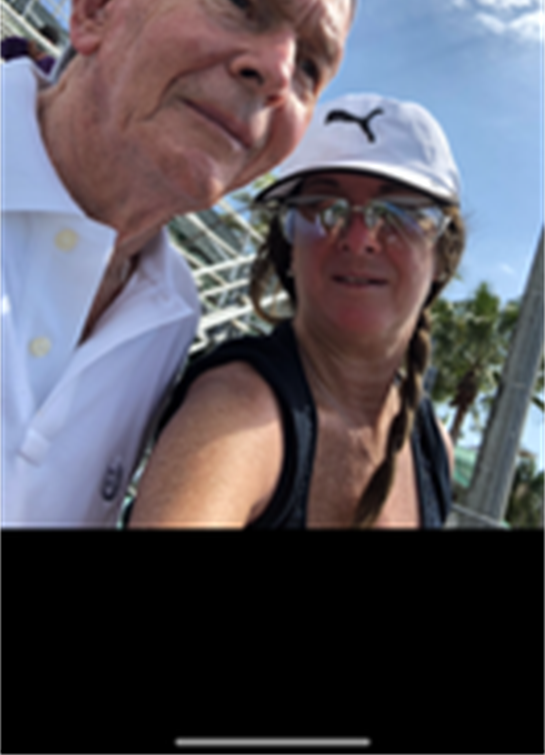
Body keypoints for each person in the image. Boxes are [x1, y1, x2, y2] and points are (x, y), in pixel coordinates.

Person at [1, 0, 358, 527]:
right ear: (98, 6)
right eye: (241, 1)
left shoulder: (173, 316)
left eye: (310, 65)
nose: (278, 72)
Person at [130, 92, 465, 529]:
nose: (359, 237)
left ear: (442, 255)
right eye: (324, 208)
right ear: (289, 247)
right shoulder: (237, 408)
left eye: (398, 213)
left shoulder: (433, 445)